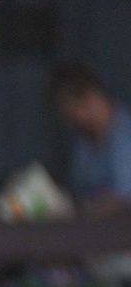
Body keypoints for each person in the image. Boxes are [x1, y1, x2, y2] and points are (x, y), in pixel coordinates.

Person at [53, 62, 131, 217]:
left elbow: (123, 199)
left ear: (89, 99)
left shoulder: (125, 137)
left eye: (73, 112)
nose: (72, 122)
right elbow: (78, 191)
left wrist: (88, 208)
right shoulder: (82, 141)